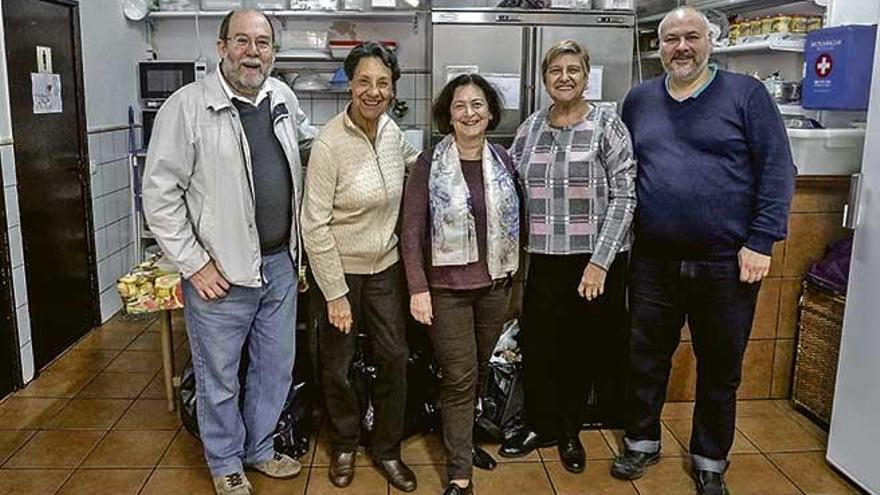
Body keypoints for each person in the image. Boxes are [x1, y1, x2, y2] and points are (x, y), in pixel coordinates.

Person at [610, 8, 796, 495]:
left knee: (721, 365)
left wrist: (761, 240)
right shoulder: (639, 100)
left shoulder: (746, 96)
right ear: (659, 45)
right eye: (671, 39)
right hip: (652, 259)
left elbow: (778, 170)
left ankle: (710, 458)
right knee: (645, 356)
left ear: (710, 41)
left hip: (727, 262)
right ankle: (641, 441)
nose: (681, 47)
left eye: (691, 37)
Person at [142, 9, 316, 495]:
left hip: (279, 265)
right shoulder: (187, 107)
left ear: (273, 54)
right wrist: (194, 263)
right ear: (221, 48)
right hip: (220, 273)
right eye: (242, 41)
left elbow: (305, 143)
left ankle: (259, 448)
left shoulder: (281, 96)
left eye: (262, 43)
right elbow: (159, 195)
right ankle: (224, 461)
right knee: (219, 377)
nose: (252, 52)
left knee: (274, 367)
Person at [499, 39, 636, 475]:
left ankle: (570, 432)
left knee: (581, 352)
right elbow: (512, 185)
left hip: (591, 263)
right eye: (555, 70)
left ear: (586, 75)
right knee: (540, 346)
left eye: (573, 70)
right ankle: (541, 424)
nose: (564, 78)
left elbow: (625, 195)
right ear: (544, 79)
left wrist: (600, 262)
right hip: (544, 258)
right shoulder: (532, 127)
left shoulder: (607, 126)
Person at [301, 41, 419, 492]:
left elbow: (413, 163)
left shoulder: (391, 131)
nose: (374, 91)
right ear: (350, 86)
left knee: (394, 358)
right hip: (340, 270)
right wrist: (334, 293)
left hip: (385, 268)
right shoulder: (329, 143)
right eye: (365, 82)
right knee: (337, 365)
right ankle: (346, 443)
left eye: (383, 83)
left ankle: (387, 450)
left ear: (392, 89)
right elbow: (314, 225)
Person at [401, 74, 520, 495]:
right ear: (448, 116)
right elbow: (411, 231)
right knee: (459, 376)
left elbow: (515, 227)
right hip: (446, 291)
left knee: (479, 372)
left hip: (494, 288)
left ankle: (463, 443)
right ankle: (459, 474)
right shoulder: (428, 163)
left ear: (489, 113)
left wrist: (514, 285)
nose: (469, 113)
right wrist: (418, 288)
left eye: (477, 105)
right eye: (459, 106)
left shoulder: (504, 159)